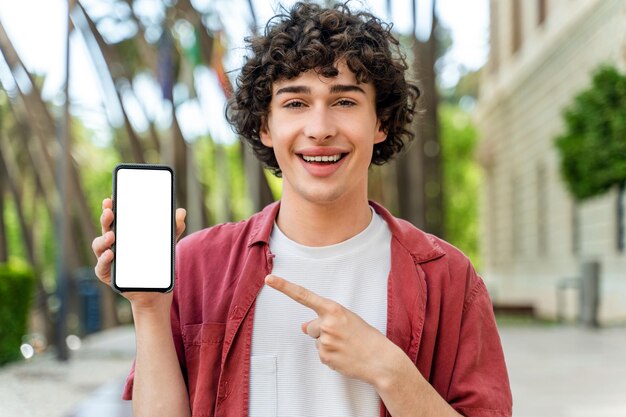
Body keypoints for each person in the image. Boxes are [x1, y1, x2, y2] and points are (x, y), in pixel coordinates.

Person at [92, 2, 512, 416]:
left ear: (380, 122)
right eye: (295, 104)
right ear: (265, 126)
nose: (320, 128)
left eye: (345, 102)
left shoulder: (447, 277)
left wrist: (391, 371)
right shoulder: (197, 266)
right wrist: (148, 310)